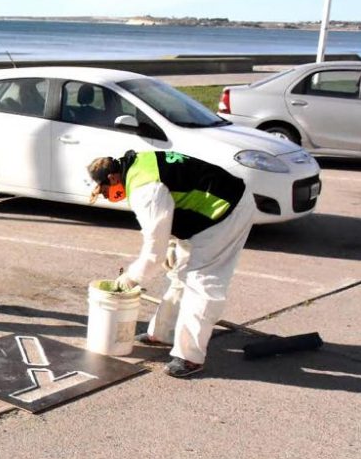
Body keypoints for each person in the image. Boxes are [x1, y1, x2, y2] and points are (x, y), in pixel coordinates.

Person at [87, 150, 256, 378]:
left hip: (226, 212)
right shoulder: (139, 165)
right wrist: (171, 244)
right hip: (204, 213)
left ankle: (190, 357)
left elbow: (152, 254)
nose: (108, 197)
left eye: (105, 192)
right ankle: (162, 333)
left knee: (202, 282)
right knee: (180, 274)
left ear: (113, 178)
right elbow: (177, 194)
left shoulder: (144, 188)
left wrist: (129, 278)